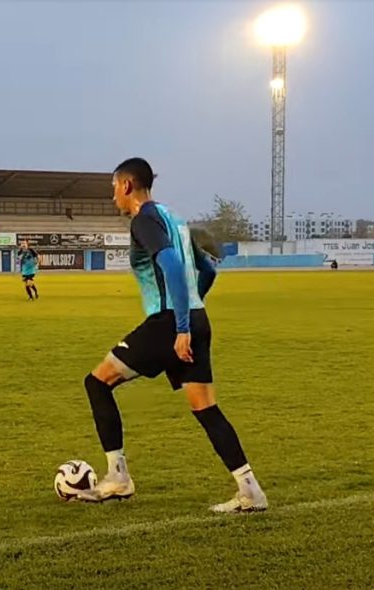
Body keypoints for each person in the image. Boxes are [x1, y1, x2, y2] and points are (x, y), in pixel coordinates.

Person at [75, 157, 267, 514]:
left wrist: (179, 327)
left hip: (168, 324)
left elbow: (173, 265)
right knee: (206, 409)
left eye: (114, 188)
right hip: (197, 318)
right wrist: (191, 313)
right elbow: (207, 271)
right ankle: (250, 490)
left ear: (127, 185)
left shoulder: (143, 219)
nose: (114, 196)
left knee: (97, 383)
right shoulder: (174, 219)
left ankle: (118, 477)